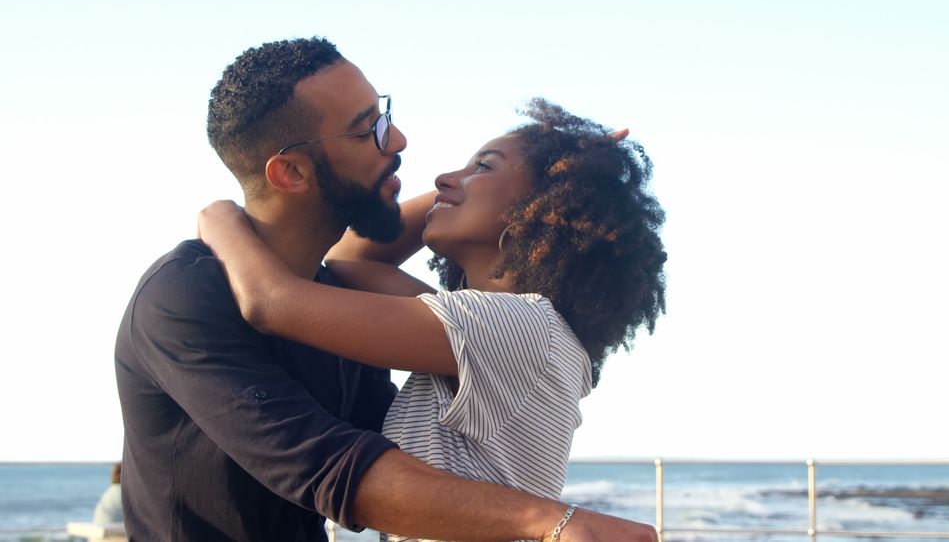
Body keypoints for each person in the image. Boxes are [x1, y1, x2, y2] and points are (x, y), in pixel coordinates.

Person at [115, 36, 657, 542]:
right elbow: (328, 465)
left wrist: (219, 216)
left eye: (385, 116)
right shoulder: (185, 294)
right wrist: (536, 184)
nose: (397, 140)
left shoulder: (502, 327)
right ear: (291, 173)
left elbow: (313, 281)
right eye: (366, 128)